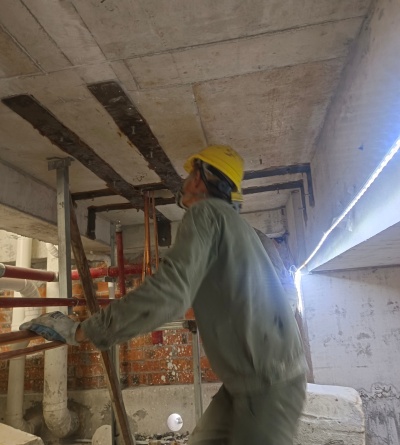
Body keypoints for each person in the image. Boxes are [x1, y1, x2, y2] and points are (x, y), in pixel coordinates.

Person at [21, 145, 308, 444]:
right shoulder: (240, 229)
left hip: (268, 388)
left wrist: (82, 330)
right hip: (251, 382)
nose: (186, 180)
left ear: (200, 179)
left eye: (191, 173)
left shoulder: (206, 214)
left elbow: (169, 293)